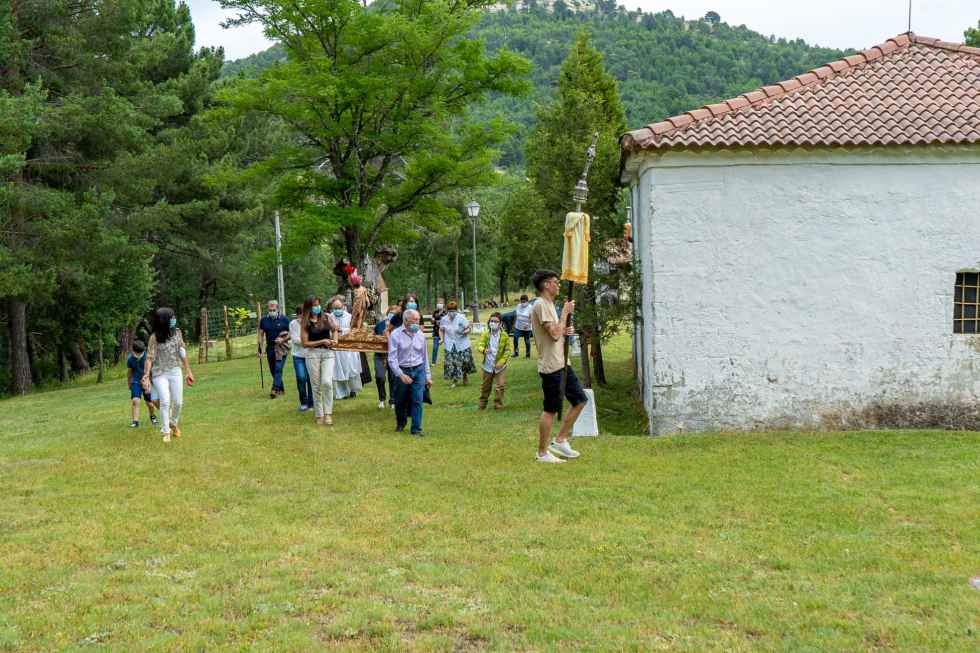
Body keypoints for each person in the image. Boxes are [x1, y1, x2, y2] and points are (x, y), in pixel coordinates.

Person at [530, 270, 586, 464]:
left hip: (562, 363)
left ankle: (560, 440)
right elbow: (554, 333)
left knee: (580, 400)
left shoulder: (550, 304)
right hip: (551, 366)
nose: (559, 285)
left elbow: (557, 332)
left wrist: (565, 330)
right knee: (551, 410)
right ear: (546, 285)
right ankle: (542, 453)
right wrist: (565, 314)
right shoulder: (541, 304)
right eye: (555, 282)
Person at [141, 308, 194, 444]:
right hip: (159, 373)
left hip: (175, 370)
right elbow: (149, 358)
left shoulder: (177, 332)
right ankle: (166, 431)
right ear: (163, 321)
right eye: (171, 317)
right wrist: (146, 376)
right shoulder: (154, 338)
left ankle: (173, 423)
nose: (174, 319)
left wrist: (188, 371)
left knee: (178, 402)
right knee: (165, 401)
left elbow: (182, 352)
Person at [387, 308, 432, 435]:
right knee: (400, 399)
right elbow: (392, 359)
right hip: (402, 369)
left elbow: (424, 357)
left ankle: (416, 429)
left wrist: (428, 376)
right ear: (406, 320)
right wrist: (400, 374)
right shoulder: (395, 335)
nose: (418, 322)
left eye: (418, 320)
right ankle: (401, 422)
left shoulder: (420, 334)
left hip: (418, 370)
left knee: (417, 399)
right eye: (415, 320)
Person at [300, 296, 339, 426]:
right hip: (313, 354)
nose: (317, 307)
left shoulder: (326, 317)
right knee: (316, 386)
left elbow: (335, 329)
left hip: (328, 354)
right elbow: (305, 343)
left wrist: (335, 340)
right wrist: (322, 341)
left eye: (318, 304)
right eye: (314, 305)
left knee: (327, 382)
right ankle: (319, 414)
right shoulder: (305, 322)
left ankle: (328, 413)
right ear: (309, 308)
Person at [329, 296, 363, 399]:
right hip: (336, 348)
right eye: (335, 308)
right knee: (338, 370)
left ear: (343, 306)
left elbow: (354, 330)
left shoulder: (349, 317)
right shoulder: (330, 317)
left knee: (350, 369)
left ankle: (353, 389)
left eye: (339, 308)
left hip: (348, 348)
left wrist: (341, 330)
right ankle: (341, 393)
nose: (337, 310)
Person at [476, 312, 512, 410]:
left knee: (500, 386)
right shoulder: (486, 334)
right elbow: (480, 345)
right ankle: (482, 404)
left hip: (500, 367)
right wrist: (483, 350)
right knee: (485, 386)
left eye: (495, 321)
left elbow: (507, 351)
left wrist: (501, 362)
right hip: (488, 365)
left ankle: (498, 404)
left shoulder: (504, 335)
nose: (493, 323)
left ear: (500, 323)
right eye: (491, 321)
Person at [258, 299, 291, 399]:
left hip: (282, 347)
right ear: (267, 309)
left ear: (277, 309)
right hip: (270, 347)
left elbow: (291, 333)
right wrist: (259, 349)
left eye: (274, 309)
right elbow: (261, 335)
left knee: (278, 368)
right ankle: (281, 389)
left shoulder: (284, 319)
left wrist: (283, 339)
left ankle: (274, 389)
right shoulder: (263, 320)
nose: (272, 311)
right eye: (270, 310)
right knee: (273, 369)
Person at [440, 300, 475, 387]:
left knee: (464, 361)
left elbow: (468, 328)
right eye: (450, 311)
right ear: (447, 310)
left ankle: (465, 376)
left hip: (462, 343)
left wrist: (465, 332)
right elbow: (441, 330)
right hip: (450, 344)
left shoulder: (461, 317)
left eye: (453, 310)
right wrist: (442, 339)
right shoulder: (444, 319)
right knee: (452, 362)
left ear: (456, 310)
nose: (451, 312)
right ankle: (454, 380)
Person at [126, 339, 159, 428]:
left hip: (147, 382)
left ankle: (152, 416)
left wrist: (151, 382)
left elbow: (153, 370)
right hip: (136, 381)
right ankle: (135, 422)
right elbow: (129, 372)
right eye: (137, 353)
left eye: (141, 353)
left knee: (150, 404)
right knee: (135, 400)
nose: (139, 355)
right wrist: (129, 382)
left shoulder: (148, 357)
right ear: (133, 351)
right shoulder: (130, 358)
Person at [374, 305, 400, 409]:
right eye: (391, 313)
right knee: (379, 377)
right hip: (380, 355)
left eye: (394, 313)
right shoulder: (380, 325)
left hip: (394, 356)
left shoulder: (399, 326)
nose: (392, 315)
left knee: (393, 378)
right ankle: (381, 399)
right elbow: (374, 337)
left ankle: (393, 400)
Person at [289, 305, 313, 412]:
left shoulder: (312, 323)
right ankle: (303, 402)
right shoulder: (293, 324)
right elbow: (295, 340)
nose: (302, 317)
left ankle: (312, 403)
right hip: (298, 355)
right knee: (301, 377)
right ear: (297, 315)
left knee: (311, 379)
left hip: (311, 355)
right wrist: (308, 341)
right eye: (300, 314)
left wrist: (307, 341)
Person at [430, 298, 447, 364]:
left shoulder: (445, 312)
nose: (439, 304)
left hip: (444, 333)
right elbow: (432, 321)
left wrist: (440, 322)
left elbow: (447, 322)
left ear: (443, 304)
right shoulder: (435, 312)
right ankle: (433, 362)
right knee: (435, 348)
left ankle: (447, 360)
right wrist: (432, 320)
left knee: (446, 348)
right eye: (438, 303)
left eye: (441, 303)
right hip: (436, 332)